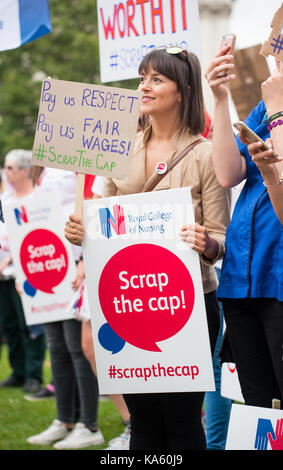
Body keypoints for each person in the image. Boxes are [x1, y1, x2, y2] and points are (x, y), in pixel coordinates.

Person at [65, 46, 230, 450]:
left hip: (186, 306)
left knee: (183, 422)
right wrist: (78, 229)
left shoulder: (206, 154)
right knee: (143, 424)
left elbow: (221, 237)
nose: (144, 86)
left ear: (183, 90)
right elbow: (98, 217)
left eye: (157, 79)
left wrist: (205, 241)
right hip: (126, 303)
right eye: (142, 78)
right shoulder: (118, 146)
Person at [205, 42, 283, 409]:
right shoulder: (263, 108)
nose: (276, 59)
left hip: (278, 277)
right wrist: (219, 98)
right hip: (243, 281)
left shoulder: (276, 104)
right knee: (259, 407)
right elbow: (228, 173)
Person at [26, 167, 104, 449]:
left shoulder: (80, 161)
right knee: (56, 345)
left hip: (74, 262)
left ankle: (89, 425)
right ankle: (65, 420)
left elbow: (91, 203)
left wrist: (84, 256)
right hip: (48, 263)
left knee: (77, 347)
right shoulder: (46, 168)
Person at [0, 150, 45, 393]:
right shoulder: (5, 199)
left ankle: (33, 375)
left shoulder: (36, 199)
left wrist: (8, 260)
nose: (5, 172)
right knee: (10, 325)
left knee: (31, 326)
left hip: (26, 274)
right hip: (3, 276)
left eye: (9, 168)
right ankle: (17, 372)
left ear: (25, 170)